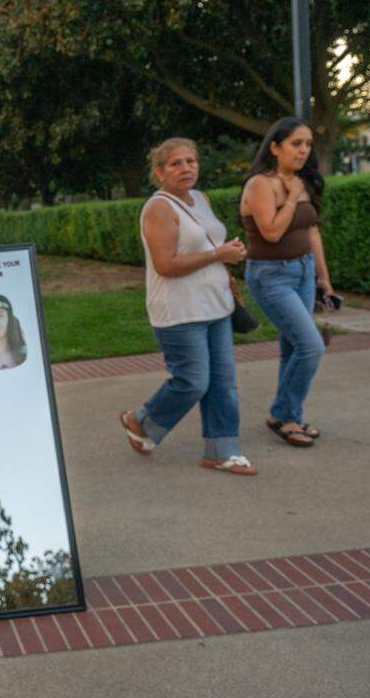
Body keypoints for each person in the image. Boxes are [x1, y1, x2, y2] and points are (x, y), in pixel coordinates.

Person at [119, 138, 257, 476]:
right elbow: (165, 264)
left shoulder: (200, 199)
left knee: (222, 382)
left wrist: (229, 252)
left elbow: (207, 241)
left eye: (191, 161)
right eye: (176, 163)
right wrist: (217, 255)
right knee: (193, 382)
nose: (186, 168)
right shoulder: (158, 208)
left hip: (216, 306)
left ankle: (222, 451)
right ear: (159, 172)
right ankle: (140, 419)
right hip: (180, 311)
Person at [240, 117, 333, 447]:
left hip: (304, 271)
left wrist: (325, 279)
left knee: (293, 347)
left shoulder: (302, 181)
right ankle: (282, 414)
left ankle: (290, 414)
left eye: (308, 144)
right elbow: (272, 231)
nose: (304, 150)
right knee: (311, 346)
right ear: (275, 147)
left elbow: (312, 231)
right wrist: (292, 197)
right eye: (297, 143)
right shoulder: (260, 185)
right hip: (271, 276)